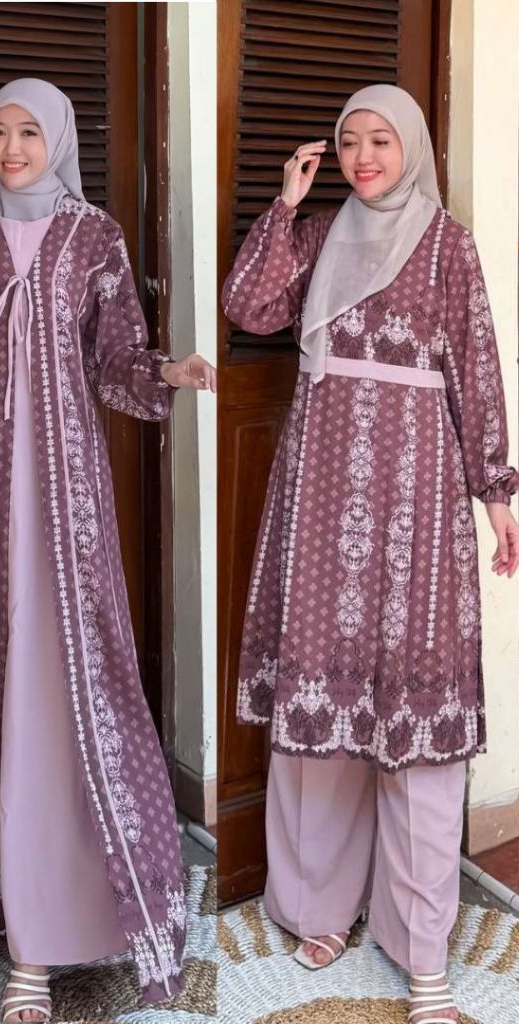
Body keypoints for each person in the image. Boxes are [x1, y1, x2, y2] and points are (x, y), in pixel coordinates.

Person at [0, 78, 216, 1023]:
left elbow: (115, 361)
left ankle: (63, 919)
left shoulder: (95, 236)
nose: (12, 147)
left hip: (64, 506)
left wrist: (169, 370)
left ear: (59, 139)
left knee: (69, 684)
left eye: (30, 132)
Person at [222, 83, 519, 1024]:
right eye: (348, 141)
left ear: (413, 148)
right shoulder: (316, 238)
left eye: (380, 141)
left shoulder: (449, 245)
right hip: (320, 496)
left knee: (416, 715)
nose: (362, 158)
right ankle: (317, 908)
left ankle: (420, 943)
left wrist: (498, 494)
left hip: (417, 500)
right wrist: (285, 204)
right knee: (324, 705)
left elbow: (477, 368)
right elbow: (247, 306)